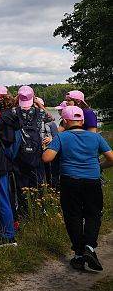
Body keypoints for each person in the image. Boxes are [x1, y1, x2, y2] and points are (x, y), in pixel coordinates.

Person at [42, 106, 113, 271]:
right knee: (93, 214)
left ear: (65, 121)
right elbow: (111, 158)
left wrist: (48, 146)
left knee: (73, 216)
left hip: (70, 181)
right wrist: (99, 166)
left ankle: (79, 254)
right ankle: (89, 246)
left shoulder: (62, 136)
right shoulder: (95, 137)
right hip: (92, 181)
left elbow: (47, 158)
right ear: (81, 121)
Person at [11, 85, 52, 218]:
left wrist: (15, 100)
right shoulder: (40, 113)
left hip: (19, 154)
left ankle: (23, 213)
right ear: (32, 97)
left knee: (20, 185)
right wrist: (38, 103)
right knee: (38, 184)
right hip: (36, 153)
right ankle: (39, 211)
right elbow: (51, 118)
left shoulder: (13, 112)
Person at [0, 88, 18, 246]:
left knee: (1, 198)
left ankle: (7, 234)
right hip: (6, 161)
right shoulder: (12, 115)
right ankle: (7, 230)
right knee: (5, 196)